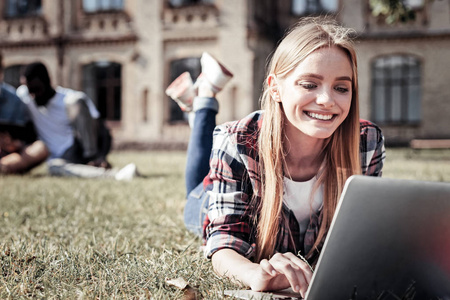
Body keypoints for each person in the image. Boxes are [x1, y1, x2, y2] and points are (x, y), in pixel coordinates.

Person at [166, 17, 386, 297]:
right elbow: (224, 241)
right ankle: (204, 99)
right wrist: (252, 273)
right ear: (275, 88)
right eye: (309, 85)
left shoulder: (366, 142)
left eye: (341, 88)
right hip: (208, 201)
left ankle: (196, 104)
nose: (327, 100)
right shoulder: (236, 140)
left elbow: (363, 237)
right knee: (198, 190)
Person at [16, 62, 138, 180]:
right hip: (57, 159)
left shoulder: (68, 98)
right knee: (54, 167)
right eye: (29, 90)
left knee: (76, 101)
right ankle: (116, 176)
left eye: (36, 90)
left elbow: (103, 130)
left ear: (48, 81)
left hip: (77, 148)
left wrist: (101, 156)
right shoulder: (24, 95)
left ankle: (93, 159)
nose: (33, 95)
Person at [0, 55, 49, 174]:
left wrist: (15, 144)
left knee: (40, 148)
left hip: (8, 155)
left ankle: (6, 167)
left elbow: (25, 138)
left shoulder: (14, 100)